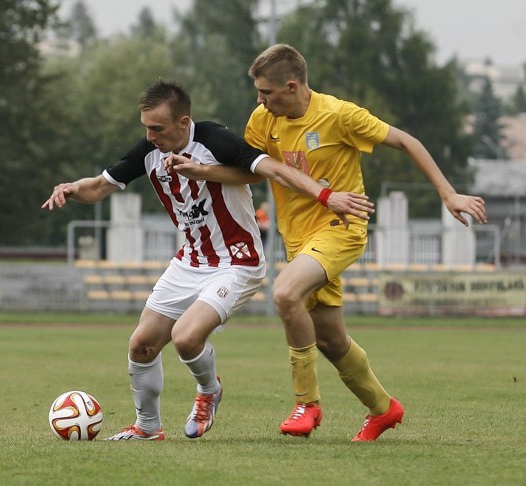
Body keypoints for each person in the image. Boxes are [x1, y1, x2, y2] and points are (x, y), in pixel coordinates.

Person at [173, 44, 488, 442]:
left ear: (291, 86)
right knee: (330, 340)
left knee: (285, 293)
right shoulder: (262, 120)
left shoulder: (340, 115)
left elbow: (407, 142)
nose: (259, 100)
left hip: (342, 228)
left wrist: (448, 194)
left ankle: (307, 403)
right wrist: (202, 172)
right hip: (299, 240)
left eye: (266, 92)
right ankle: (384, 409)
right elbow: (254, 173)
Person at [42, 79, 372, 441]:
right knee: (141, 345)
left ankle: (209, 391)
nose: (151, 136)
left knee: (185, 338)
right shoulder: (148, 150)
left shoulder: (215, 140)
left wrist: (326, 196)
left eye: (158, 128)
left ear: (184, 123)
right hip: (190, 261)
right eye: (146, 128)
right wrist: (72, 188)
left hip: (237, 261)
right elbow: (100, 186)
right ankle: (147, 427)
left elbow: (273, 170)